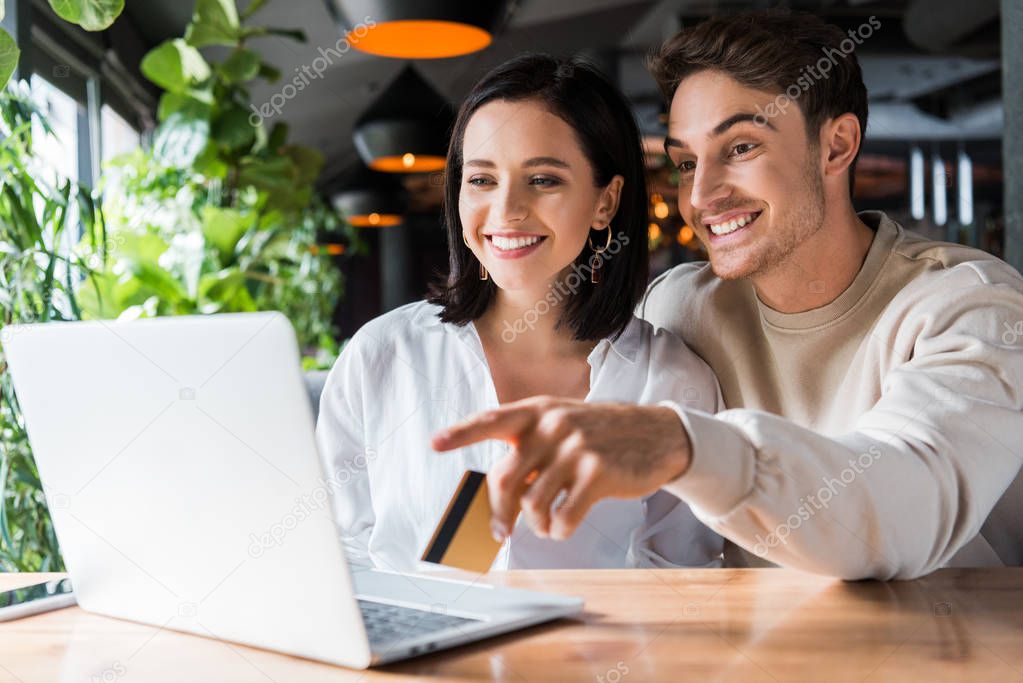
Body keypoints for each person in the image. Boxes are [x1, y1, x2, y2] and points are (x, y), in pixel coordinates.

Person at [432, 10, 1023, 580]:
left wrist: (682, 446)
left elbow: (901, 510)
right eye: (687, 163)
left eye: (740, 148)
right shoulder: (682, 308)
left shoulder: (972, 308)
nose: (703, 195)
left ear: (837, 146)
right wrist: (448, 595)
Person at [316, 54, 723, 572]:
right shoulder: (380, 356)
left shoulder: (670, 381)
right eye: (482, 180)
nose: (507, 211)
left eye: (544, 180)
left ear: (606, 201)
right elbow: (342, 559)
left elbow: (682, 578)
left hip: (591, 654)